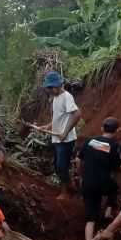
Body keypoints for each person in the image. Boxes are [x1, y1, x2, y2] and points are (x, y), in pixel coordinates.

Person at [35, 71, 82, 200]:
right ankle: (70, 185)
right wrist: (48, 126)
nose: (49, 90)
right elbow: (59, 117)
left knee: (62, 166)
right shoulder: (55, 98)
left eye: (50, 88)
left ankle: (65, 192)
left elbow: (76, 114)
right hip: (58, 138)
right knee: (57, 165)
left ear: (57, 85)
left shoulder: (66, 97)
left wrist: (65, 132)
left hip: (66, 139)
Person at [77, 117, 121, 240]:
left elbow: (78, 159)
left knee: (90, 215)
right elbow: (116, 169)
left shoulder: (90, 141)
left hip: (88, 182)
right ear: (117, 131)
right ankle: (108, 212)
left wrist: (80, 174)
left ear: (102, 128)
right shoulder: (115, 146)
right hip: (103, 183)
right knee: (114, 187)